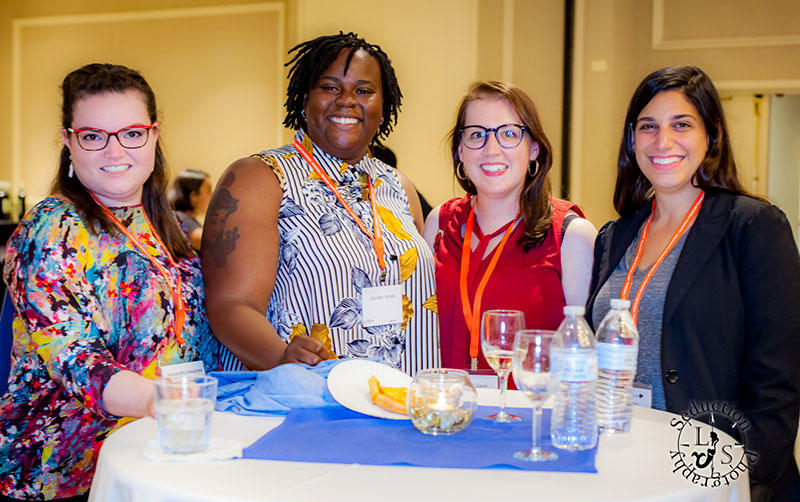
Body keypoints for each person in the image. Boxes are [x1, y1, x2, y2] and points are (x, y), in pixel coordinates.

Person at [0, 63, 216, 502]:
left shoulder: (171, 227)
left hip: (155, 455)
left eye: (132, 133)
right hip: (63, 477)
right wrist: (168, 402)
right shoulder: (49, 229)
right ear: (69, 140)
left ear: (154, 135)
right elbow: (75, 358)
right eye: (95, 136)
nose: (116, 150)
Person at [585, 65, 800, 502]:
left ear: (711, 136)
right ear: (632, 141)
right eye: (648, 127)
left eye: (681, 124)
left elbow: (777, 384)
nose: (663, 142)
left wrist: (738, 494)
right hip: (627, 472)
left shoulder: (754, 227)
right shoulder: (615, 236)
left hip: (717, 484)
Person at [202, 32, 439, 374]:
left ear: (382, 106)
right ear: (303, 98)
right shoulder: (260, 177)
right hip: (305, 405)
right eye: (329, 87)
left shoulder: (398, 186)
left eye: (363, 90)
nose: (346, 100)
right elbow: (230, 305)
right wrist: (281, 357)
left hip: (401, 404)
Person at [422, 81, 596, 372]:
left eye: (509, 134)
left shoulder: (571, 235)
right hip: (447, 411)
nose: (491, 149)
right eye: (476, 134)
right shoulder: (439, 224)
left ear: (534, 149)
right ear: (461, 152)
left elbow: (585, 361)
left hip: (530, 413)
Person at [169, 168, 213, 250]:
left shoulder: (188, 218)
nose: (212, 195)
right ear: (193, 196)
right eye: (208, 191)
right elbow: (208, 241)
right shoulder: (180, 217)